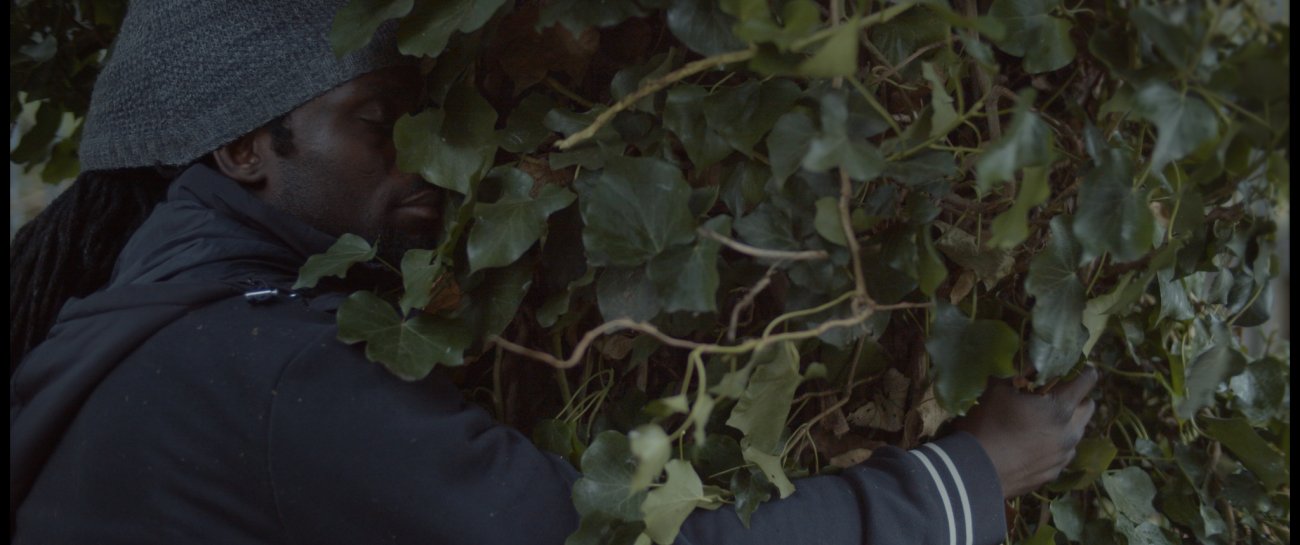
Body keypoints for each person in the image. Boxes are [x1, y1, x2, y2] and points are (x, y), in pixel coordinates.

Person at [9, 2, 1098, 544]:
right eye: (381, 123)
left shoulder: (150, 325)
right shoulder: (269, 371)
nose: (439, 159)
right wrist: (967, 477)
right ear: (243, 150)